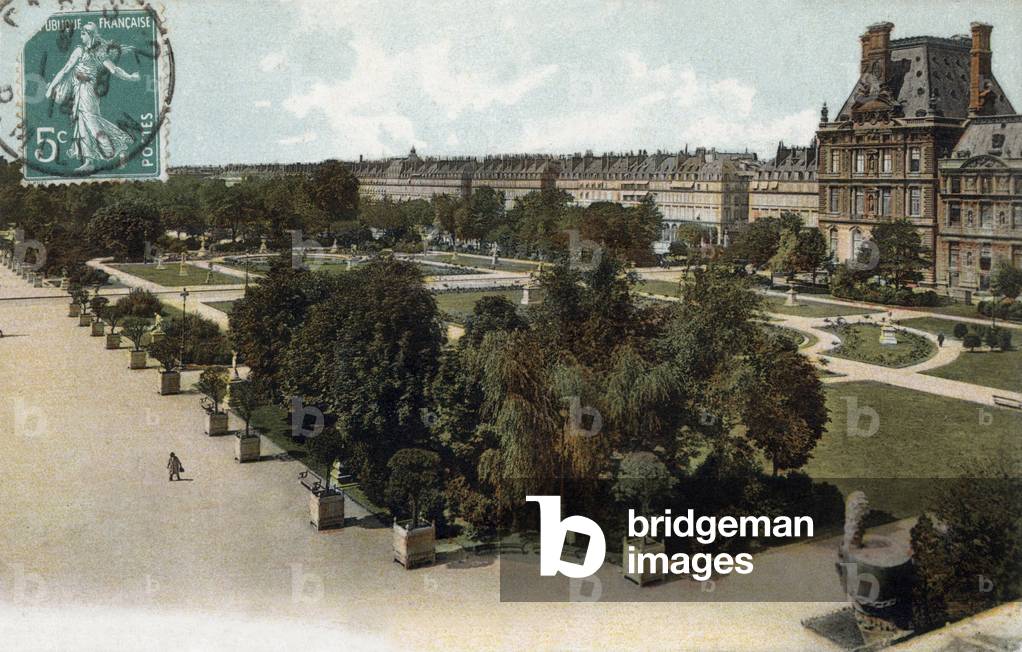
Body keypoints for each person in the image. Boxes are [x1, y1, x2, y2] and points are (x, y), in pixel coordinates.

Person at [45, 22, 141, 173]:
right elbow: (65, 70)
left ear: (90, 35)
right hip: (79, 91)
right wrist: (51, 87)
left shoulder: (99, 53)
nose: (81, 36)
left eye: (83, 34)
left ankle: (119, 150)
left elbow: (114, 70)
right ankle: (88, 161)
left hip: (89, 92)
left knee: (92, 124)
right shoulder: (79, 50)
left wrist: (130, 77)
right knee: (81, 124)